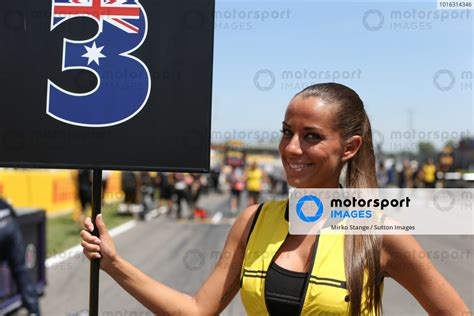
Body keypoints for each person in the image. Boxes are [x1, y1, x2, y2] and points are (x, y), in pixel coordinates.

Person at [80, 83, 468, 315]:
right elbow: (197, 311)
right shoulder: (253, 222)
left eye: (311, 136)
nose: (292, 148)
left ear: (349, 148)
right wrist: (114, 264)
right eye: (287, 132)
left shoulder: (379, 231)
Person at [0, 198, 40, 315]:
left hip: (8, 225)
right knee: (21, 271)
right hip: (10, 224)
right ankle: (34, 312)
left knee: (20, 270)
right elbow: (13, 213)